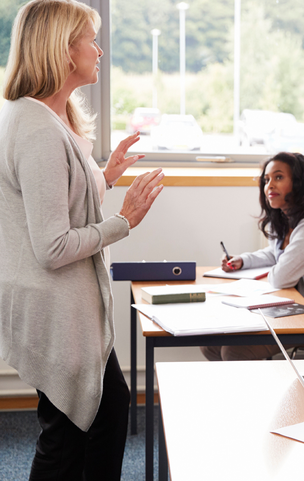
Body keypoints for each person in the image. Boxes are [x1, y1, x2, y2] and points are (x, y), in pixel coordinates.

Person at [0, 1, 165, 479]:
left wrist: (105, 177)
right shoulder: (38, 130)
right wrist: (124, 220)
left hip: (57, 305)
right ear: (62, 51)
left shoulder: (39, 117)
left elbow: (55, 195)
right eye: (90, 40)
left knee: (106, 410)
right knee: (68, 435)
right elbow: (52, 247)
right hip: (54, 306)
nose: (99, 50)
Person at [202, 152, 304, 361]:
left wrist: (276, 267)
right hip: (298, 307)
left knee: (235, 350)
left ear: (299, 181)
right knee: (210, 345)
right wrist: (244, 260)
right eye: (266, 180)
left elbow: (281, 276)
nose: (269, 185)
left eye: (278, 177)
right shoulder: (290, 211)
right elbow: (279, 253)